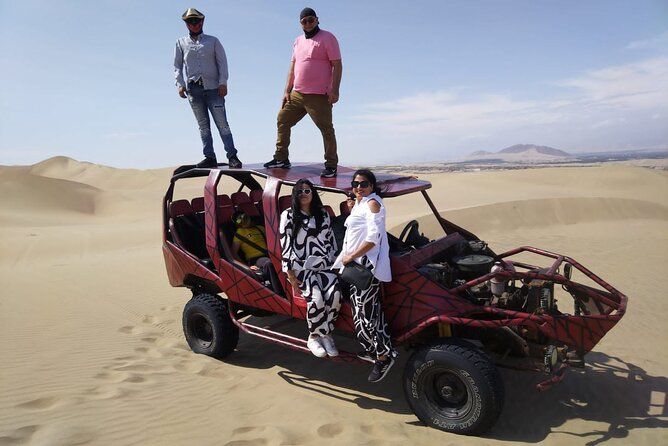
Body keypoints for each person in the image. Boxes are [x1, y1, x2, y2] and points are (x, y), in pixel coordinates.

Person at [333, 169, 397, 382]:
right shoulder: (362, 203)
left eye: (364, 184)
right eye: (355, 184)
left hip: (365, 269)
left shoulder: (373, 204)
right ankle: (377, 352)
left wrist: (351, 256)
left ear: (372, 185)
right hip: (355, 269)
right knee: (365, 316)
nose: (358, 187)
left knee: (367, 319)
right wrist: (353, 207)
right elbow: (356, 230)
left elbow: (373, 238)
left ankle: (383, 357)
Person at [264, 7, 342, 178]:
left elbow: (337, 65)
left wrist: (335, 90)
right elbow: (292, 67)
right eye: (304, 21)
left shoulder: (328, 38)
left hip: (319, 95)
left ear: (317, 20)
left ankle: (331, 165)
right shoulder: (298, 41)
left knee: (326, 129)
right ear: (300, 24)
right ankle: (281, 158)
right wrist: (286, 91)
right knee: (282, 119)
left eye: (311, 20)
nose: (308, 23)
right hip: (297, 94)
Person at [279, 179, 342, 357]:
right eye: (300, 192)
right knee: (316, 299)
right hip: (302, 269)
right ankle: (314, 336)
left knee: (335, 295)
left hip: (324, 265)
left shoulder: (322, 213)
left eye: (307, 191)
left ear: (312, 193)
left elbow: (330, 241)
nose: (304, 194)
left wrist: (335, 264)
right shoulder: (288, 215)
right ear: (295, 195)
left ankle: (326, 335)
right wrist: (290, 275)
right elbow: (286, 246)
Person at [174, 8, 243, 169]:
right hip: (194, 90)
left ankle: (232, 156)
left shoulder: (213, 41)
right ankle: (209, 156)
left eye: (197, 21)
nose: (194, 24)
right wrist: (180, 84)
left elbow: (222, 63)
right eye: (191, 22)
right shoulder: (180, 43)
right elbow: (177, 66)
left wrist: (223, 82)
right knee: (203, 126)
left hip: (214, 89)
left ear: (202, 21)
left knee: (222, 124)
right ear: (186, 24)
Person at [231, 210, 281, 294]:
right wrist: (246, 266)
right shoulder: (240, 232)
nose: (244, 221)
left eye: (245, 218)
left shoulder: (260, 228)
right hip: (256, 259)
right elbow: (233, 253)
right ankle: (280, 293)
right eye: (241, 221)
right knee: (269, 264)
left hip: (270, 254)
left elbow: (273, 240)